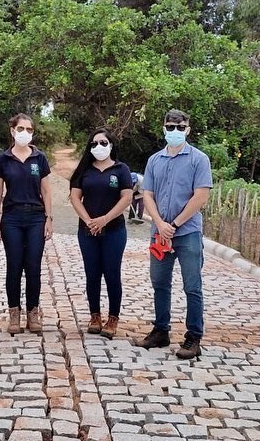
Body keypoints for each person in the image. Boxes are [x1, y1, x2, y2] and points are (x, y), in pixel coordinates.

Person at [138, 109, 213, 360]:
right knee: (159, 282)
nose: (175, 132)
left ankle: (194, 336)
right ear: (163, 128)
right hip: (159, 233)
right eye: (170, 127)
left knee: (192, 286)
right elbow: (147, 193)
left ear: (188, 130)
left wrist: (175, 224)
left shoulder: (198, 159)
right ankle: (161, 330)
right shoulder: (154, 160)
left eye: (180, 128)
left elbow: (200, 195)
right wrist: (160, 223)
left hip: (188, 232)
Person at [69, 128, 133, 339]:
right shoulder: (84, 171)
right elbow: (76, 197)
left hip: (114, 230)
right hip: (87, 231)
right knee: (92, 274)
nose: (99, 147)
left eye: (103, 143)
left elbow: (126, 198)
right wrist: (89, 220)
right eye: (94, 143)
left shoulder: (121, 169)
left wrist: (105, 219)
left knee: (112, 273)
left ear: (111, 145)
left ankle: (113, 317)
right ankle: (94, 316)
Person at [0, 113, 53, 334]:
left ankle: (33, 313)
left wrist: (49, 218)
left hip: (36, 217)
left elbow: (46, 190)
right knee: (14, 266)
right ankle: (14, 314)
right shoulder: (3, 159)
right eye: (21, 129)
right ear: (12, 131)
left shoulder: (40, 158)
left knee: (34, 267)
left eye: (29, 129)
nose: (25, 133)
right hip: (12, 219)